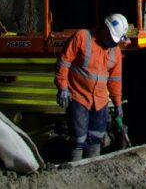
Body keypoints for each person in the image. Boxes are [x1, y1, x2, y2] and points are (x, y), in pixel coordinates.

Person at [55, 13, 128, 161]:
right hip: (78, 97)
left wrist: (118, 104)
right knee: (78, 140)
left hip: (100, 102)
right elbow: (64, 62)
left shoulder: (115, 51)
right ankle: (75, 173)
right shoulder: (82, 37)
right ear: (104, 29)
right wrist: (63, 87)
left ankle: (91, 174)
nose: (113, 44)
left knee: (95, 140)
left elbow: (115, 80)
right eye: (112, 39)